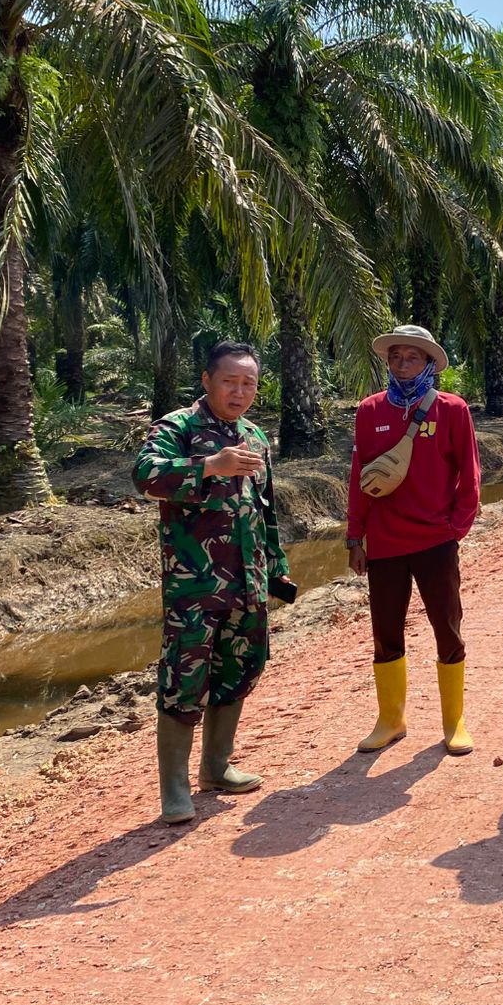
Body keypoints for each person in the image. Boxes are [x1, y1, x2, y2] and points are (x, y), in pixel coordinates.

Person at [133, 341, 295, 825]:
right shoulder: (178, 427)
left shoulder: (255, 436)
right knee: (184, 680)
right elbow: (144, 475)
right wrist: (208, 465)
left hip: (248, 580)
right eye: (230, 381)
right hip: (195, 587)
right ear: (207, 381)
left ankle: (217, 768)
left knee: (240, 667)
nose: (240, 392)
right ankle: (175, 791)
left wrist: (276, 565)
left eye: (249, 383)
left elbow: (266, 510)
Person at [346, 324, 481, 756]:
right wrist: (355, 536)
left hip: (436, 541)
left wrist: (455, 529)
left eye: (413, 357)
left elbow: (469, 476)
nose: (403, 364)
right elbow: (359, 477)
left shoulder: (452, 409)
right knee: (385, 632)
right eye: (396, 356)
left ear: (429, 363)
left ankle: (453, 721)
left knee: (447, 628)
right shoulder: (369, 410)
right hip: (385, 544)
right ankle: (391, 719)